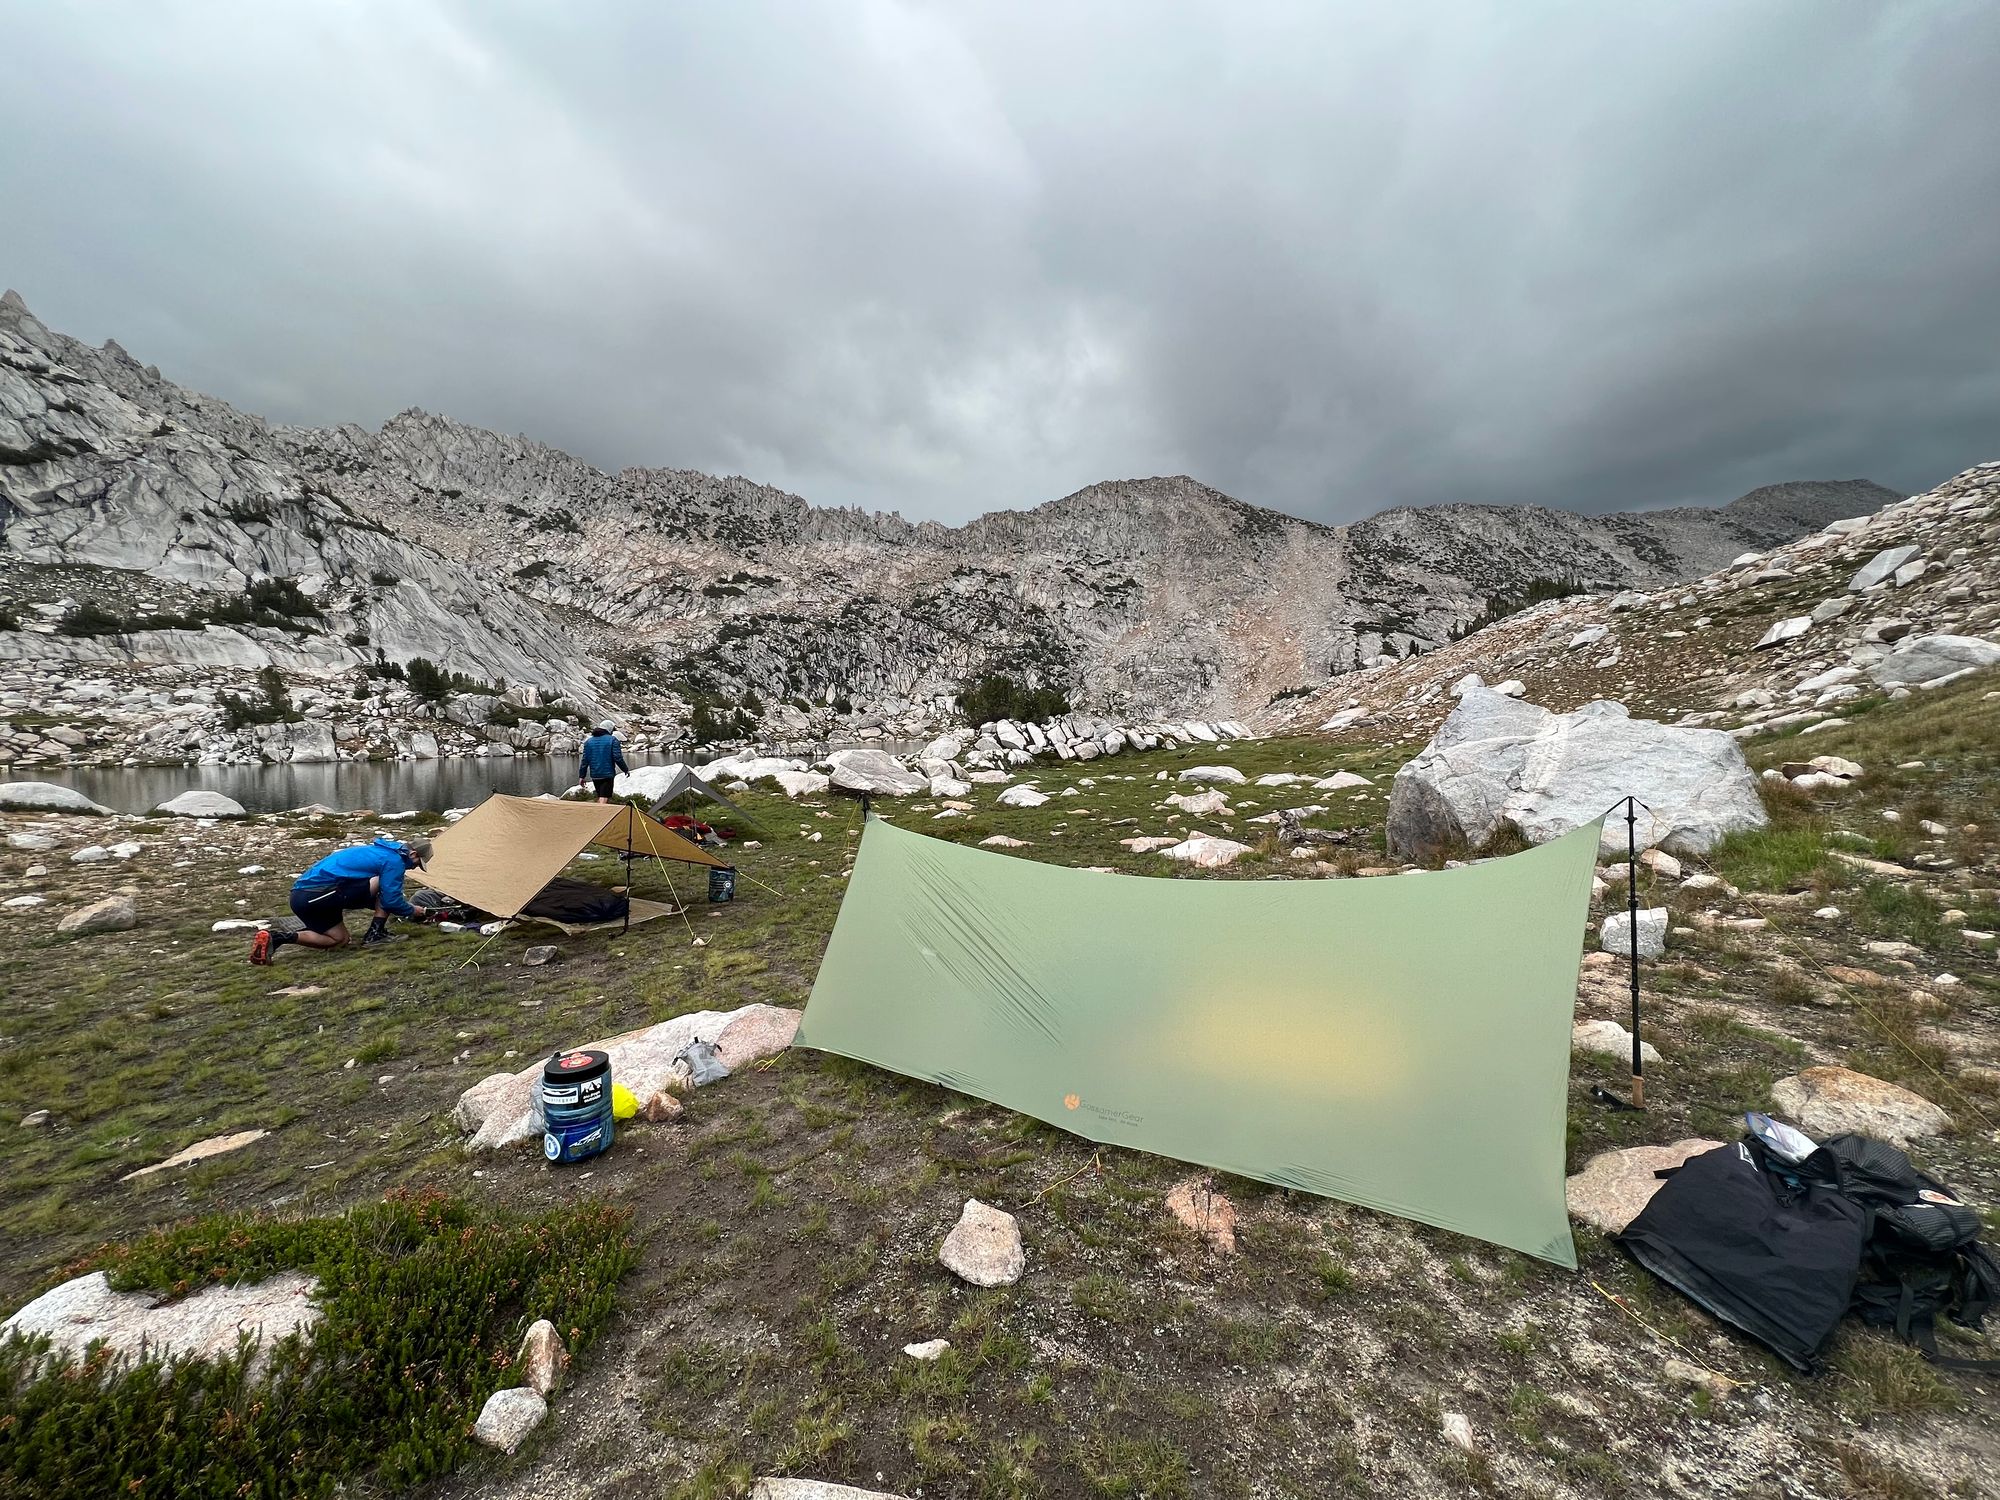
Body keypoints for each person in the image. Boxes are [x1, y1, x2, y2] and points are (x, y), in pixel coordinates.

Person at [250, 835, 432, 964]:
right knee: (387, 892)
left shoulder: (377, 851)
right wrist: (412, 910)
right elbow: (391, 900)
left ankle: (277, 938)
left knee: (339, 939)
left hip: (301, 897)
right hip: (320, 894)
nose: (414, 868)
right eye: (417, 864)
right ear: (414, 854)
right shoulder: (394, 861)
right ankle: (375, 934)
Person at [579, 723, 629, 803]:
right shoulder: (612, 740)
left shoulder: (588, 742)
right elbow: (618, 758)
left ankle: (600, 812)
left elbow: (585, 761)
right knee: (604, 797)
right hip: (607, 774)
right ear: (609, 729)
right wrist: (625, 769)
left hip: (595, 774)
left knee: (601, 795)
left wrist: (582, 776)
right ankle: (601, 814)